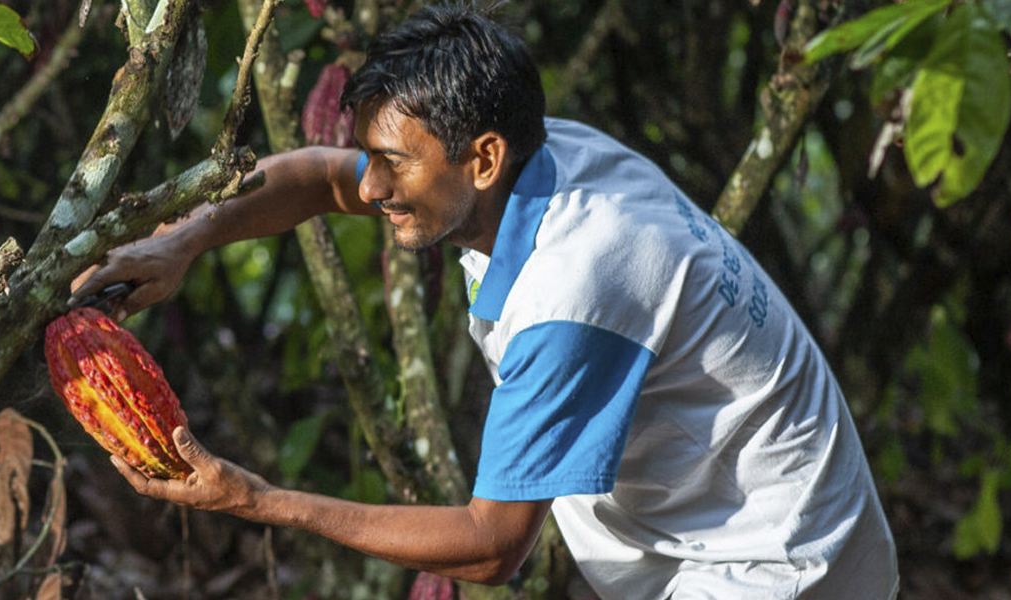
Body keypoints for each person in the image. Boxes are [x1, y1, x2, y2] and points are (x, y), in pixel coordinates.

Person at [71, 5, 899, 598]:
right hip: (726, 532)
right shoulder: (540, 158)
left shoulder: (574, 285)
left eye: (391, 162)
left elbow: (493, 544)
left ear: (484, 157)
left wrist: (256, 499)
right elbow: (320, 176)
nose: (370, 185)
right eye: (372, 155)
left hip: (773, 566)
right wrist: (182, 239)